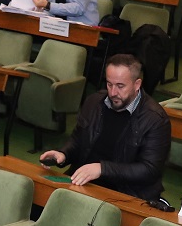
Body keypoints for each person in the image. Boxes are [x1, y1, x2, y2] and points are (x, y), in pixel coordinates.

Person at [39, 54, 171, 204]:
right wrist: (63, 154)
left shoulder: (156, 120)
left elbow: (150, 170)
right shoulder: (94, 102)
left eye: (120, 86)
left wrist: (103, 169)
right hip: (84, 183)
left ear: (137, 84)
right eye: (109, 84)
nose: (113, 92)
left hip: (125, 194)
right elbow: (78, 140)